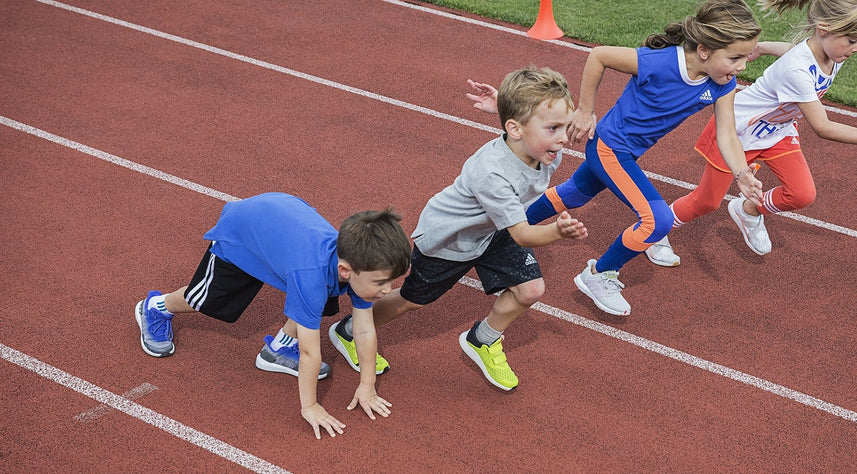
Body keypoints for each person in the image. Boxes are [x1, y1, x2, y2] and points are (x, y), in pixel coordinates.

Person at [330, 66, 587, 391]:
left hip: (493, 228)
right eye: (554, 128)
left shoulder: (545, 149)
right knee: (413, 300)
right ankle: (349, 330)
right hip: (450, 240)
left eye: (565, 126)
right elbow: (522, 234)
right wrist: (557, 232)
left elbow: (529, 129)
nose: (564, 138)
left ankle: (483, 340)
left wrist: (505, 105)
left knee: (531, 290)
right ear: (516, 130)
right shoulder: (493, 173)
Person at [522, 0, 764, 316]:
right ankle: (598, 275)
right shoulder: (660, 62)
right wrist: (585, 110)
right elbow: (599, 56)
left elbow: (728, 134)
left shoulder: (723, 83)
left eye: (746, 57)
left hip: (626, 152)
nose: (742, 66)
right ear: (704, 50)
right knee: (658, 220)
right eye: (735, 57)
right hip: (610, 147)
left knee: (574, 193)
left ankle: (509, 229)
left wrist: (741, 172)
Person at [646, 0, 857, 264]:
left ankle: (748, 210)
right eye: (852, 40)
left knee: (802, 194)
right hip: (738, 131)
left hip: (776, 131)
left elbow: (797, 50)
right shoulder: (797, 71)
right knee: (706, 202)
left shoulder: (831, 50)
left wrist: (764, 47)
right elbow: (822, 127)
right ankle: (655, 233)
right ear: (823, 29)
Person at [134, 192, 411, 439]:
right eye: (381, 283)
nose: (387, 291)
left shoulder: (356, 270)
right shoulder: (312, 275)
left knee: (315, 302)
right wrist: (310, 406)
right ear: (345, 270)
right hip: (243, 233)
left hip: (281, 226)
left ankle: (278, 349)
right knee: (205, 300)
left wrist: (368, 385)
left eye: (391, 281)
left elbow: (363, 329)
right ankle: (156, 307)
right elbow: (310, 353)